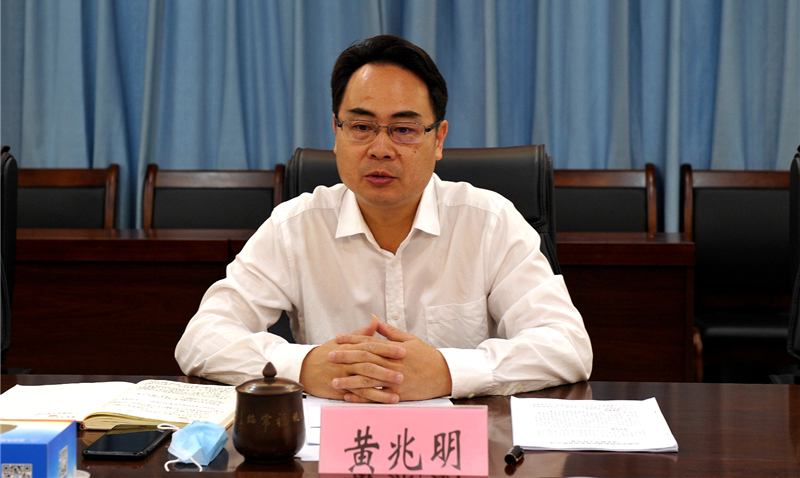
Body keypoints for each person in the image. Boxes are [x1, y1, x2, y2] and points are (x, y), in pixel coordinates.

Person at [175, 34, 592, 402]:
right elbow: (201, 338)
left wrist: (447, 372)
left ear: (439, 139)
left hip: (455, 447)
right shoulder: (294, 226)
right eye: (361, 126)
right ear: (336, 133)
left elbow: (567, 345)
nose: (380, 148)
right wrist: (303, 366)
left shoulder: (490, 222)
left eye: (404, 130)